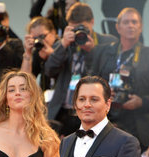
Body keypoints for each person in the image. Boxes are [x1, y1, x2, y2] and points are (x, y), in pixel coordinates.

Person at [90, 7, 149, 151]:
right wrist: (104, 94)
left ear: (141, 27)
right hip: (106, 122)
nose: (131, 25)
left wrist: (141, 102)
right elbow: (91, 85)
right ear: (118, 27)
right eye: (126, 22)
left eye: (134, 22)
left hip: (138, 126)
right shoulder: (103, 52)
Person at [44, 2, 116, 136]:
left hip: (90, 112)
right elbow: (49, 71)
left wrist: (92, 51)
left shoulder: (107, 43)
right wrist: (63, 45)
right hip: (63, 112)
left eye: (83, 28)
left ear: (92, 22)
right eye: (75, 28)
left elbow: (106, 77)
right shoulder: (64, 43)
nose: (79, 33)